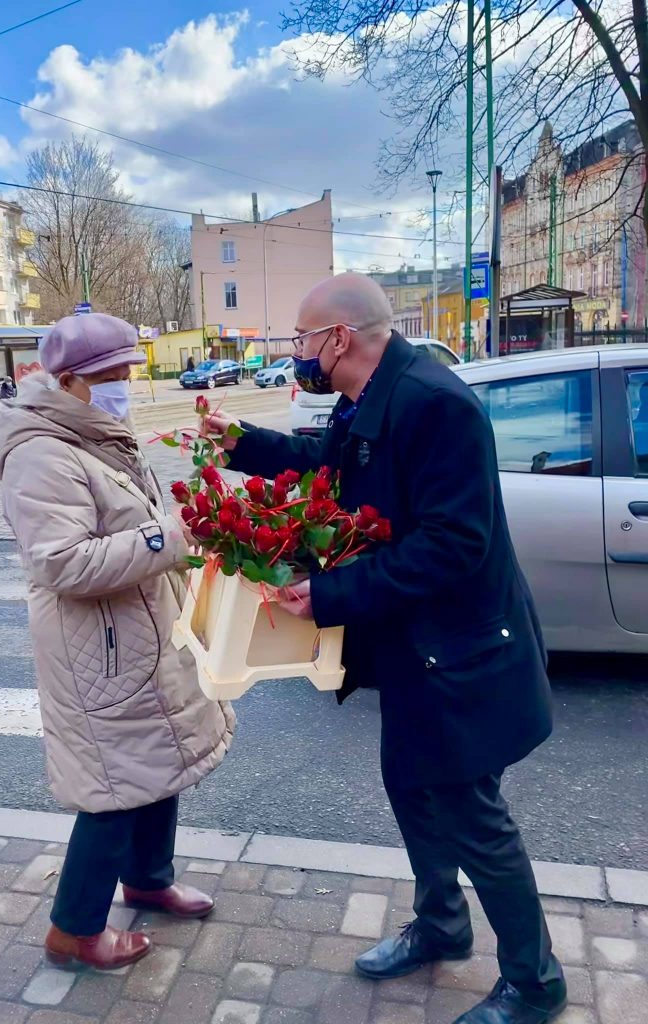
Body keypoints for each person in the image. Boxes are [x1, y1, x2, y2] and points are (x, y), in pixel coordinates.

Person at [206, 274, 567, 1024]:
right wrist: (239, 444)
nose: (297, 352)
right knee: (410, 785)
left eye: (302, 338)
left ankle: (535, 982)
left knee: (472, 812)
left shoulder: (435, 404)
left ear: (338, 338)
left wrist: (334, 594)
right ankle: (441, 925)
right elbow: (328, 469)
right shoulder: (366, 397)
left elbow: (455, 545)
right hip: (414, 651)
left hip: (464, 653)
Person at [0, 312, 235, 971]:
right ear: (67, 381)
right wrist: (169, 540)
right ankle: (73, 929)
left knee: (159, 759)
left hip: (137, 627)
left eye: (129, 372)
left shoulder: (95, 432)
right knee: (115, 784)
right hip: (96, 646)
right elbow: (61, 562)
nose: (124, 386)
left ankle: (149, 879)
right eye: (110, 376)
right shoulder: (42, 451)